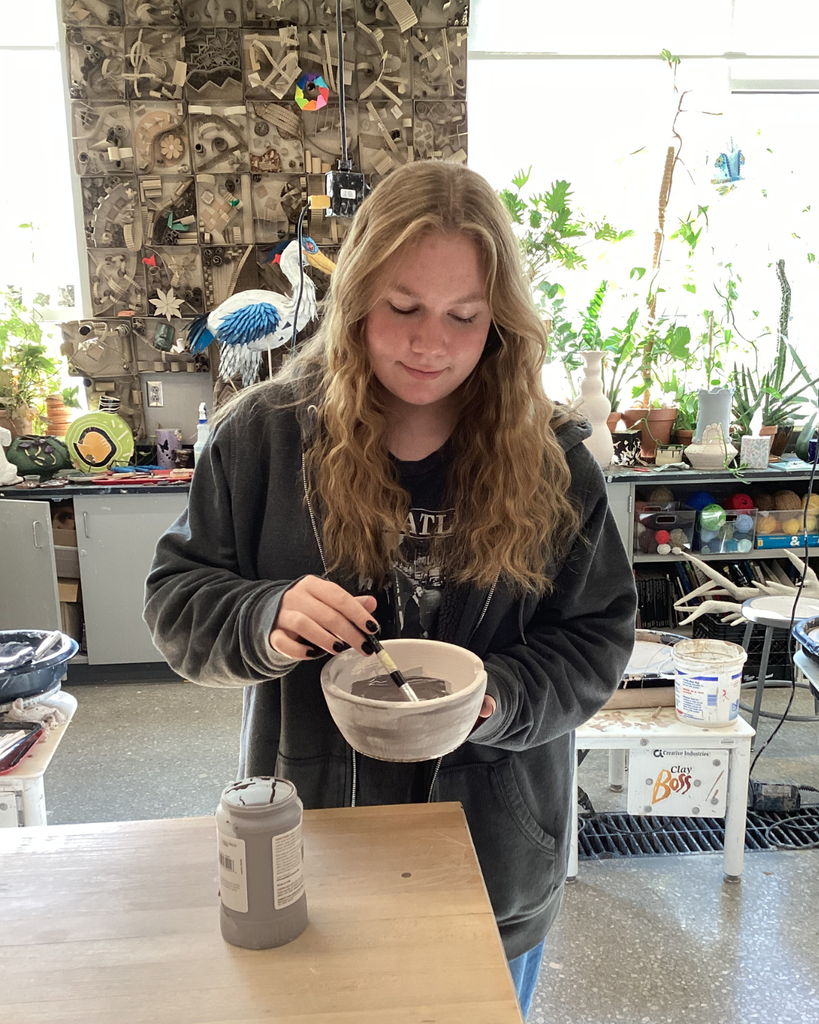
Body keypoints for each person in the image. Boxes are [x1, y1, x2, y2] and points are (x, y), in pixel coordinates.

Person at [144, 160, 637, 1018]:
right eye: (402, 308)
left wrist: (497, 698)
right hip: (316, 838)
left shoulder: (554, 460)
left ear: (501, 324)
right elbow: (178, 600)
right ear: (358, 297)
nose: (428, 344)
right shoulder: (260, 438)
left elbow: (596, 635)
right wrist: (265, 615)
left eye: (464, 317)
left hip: (496, 853)